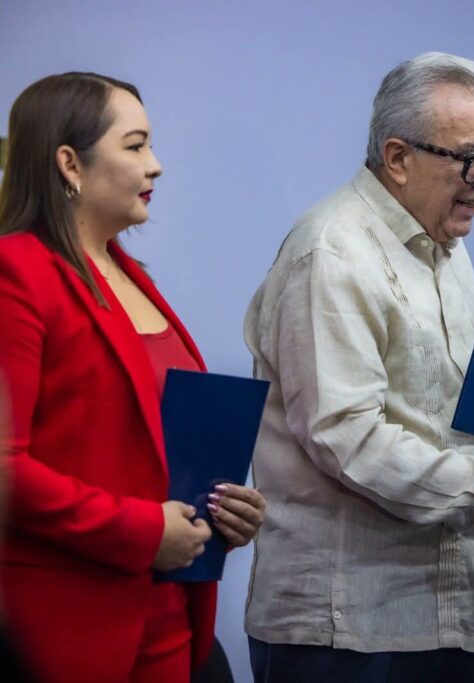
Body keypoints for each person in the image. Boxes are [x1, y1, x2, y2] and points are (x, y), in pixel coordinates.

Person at [243, 52, 474, 682]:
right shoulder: (332, 254)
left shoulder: (446, 247)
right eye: (471, 158)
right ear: (397, 157)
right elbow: (348, 439)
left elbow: (431, 416)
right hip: (346, 631)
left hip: (448, 613)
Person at [0, 72, 266, 682]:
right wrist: (144, 531)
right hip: (68, 625)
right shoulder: (16, 271)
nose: (156, 165)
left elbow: (149, 444)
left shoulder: (131, 273)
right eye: (136, 145)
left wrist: (224, 511)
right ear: (69, 163)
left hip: (168, 616)